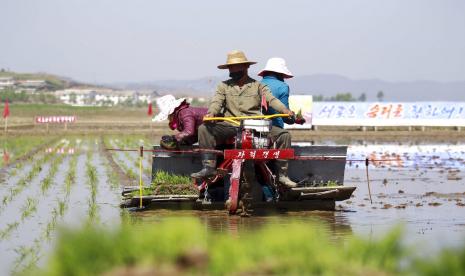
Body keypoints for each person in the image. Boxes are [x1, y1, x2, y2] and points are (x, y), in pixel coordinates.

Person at [191, 50, 297, 188]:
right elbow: (216, 102)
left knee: (284, 135)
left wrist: (285, 110)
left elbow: (272, 100)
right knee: (204, 129)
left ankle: (282, 175)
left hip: (255, 125)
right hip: (230, 125)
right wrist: (212, 113)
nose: (233, 70)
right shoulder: (223, 86)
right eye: (231, 67)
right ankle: (209, 167)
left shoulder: (258, 86)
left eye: (236, 66)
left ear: (246, 67)